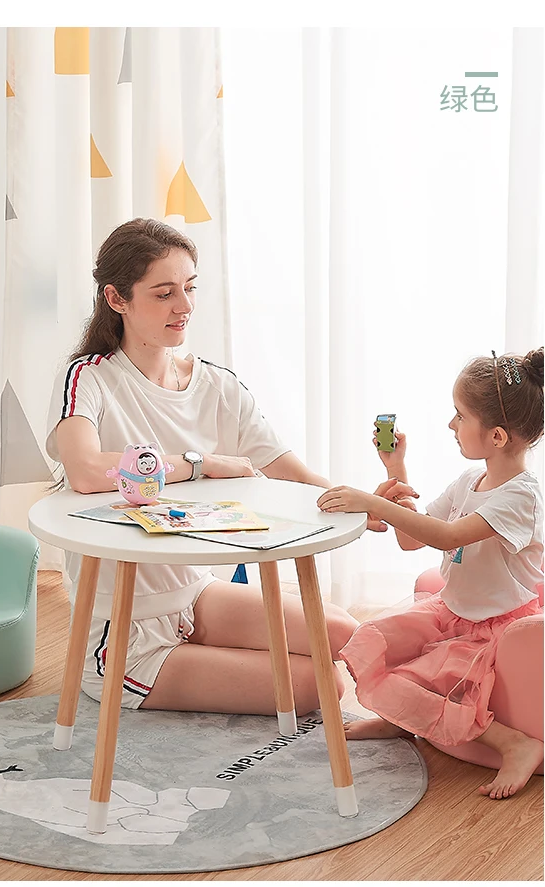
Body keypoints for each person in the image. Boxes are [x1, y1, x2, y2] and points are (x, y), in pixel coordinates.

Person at [45, 217, 412, 718]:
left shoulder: (217, 385)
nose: (184, 306)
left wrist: (363, 504)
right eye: (164, 293)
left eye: (190, 288)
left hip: (195, 594)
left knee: (348, 635)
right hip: (125, 631)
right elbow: (87, 470)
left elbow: (290, 472)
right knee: (316, 685)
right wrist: (199, 464)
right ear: (116, 299)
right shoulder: (88, 378)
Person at [317, 347, 544, 799]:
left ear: (497, 436)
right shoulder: (468, 482)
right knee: (372, 643)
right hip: (450, 611)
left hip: (493, 627)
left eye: (460, 416)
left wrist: (373, 502)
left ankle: (514, 743)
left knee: (425, 680)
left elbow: (446, 536)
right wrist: (395, 469)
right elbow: (411, 539)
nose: (450, 424)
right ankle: (403, 719)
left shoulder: (521, 498)